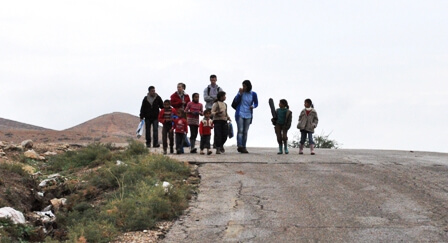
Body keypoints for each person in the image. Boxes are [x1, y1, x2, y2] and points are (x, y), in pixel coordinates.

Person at [231, 80, 258, 153]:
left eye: (245, 86)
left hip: (248, 114)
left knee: (245, 131)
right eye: (243, 86)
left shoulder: (253, 94)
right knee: (240, 130)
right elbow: (236, 101)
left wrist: (253, 106)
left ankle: (244, 146)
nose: (244, 87)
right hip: (240, 113)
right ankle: (240, 145)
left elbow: (256, 103)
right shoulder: (241, 92)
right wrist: (239, 94)